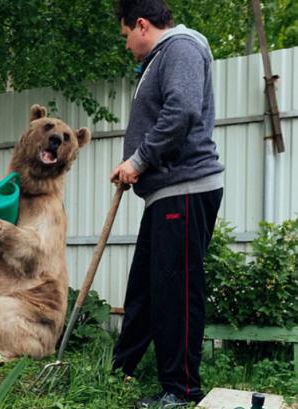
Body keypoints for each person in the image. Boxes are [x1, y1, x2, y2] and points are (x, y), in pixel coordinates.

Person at [109, 1, 224, 407]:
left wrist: (138, 161)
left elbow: (182, 110)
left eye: (125, 36)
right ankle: (121, 369)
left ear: (141, 25)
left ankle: (182, 390)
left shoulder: (181, 49)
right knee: (145, 286)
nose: (126, 46)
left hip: (187, 189)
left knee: (177, 292)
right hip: (166, 192)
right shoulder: (162, 58)